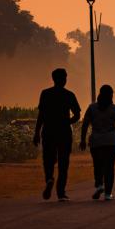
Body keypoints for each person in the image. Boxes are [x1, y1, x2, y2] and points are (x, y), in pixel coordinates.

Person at [33, 68, 81, 201]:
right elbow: (77, 114)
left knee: (48, 159)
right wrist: (68, 122)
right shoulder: (69, 95)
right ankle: (61, 192)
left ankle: (49, 178)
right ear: (64, 79)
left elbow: (41, 115)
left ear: (53, 79)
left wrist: (36, 132)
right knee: (63, 162)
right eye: (65, 77)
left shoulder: (46, 94)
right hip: (64, 132)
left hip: (48, 131)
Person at [79, 85, 115, 201]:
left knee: (98, 165)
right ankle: (108, 193)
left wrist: (82, 139)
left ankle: (99, 185)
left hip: (96, 142)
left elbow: (85, 124)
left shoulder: (92, 108)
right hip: (112, 142)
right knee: (109, 167)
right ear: (111, 95)